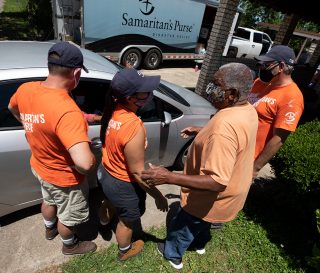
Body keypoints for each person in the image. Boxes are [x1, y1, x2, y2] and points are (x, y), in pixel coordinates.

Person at [141, 63, 258, 270]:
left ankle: (172, 254)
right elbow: (231, 138)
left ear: (231, 94)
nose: (209, 90)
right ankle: (199, 244)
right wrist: (202, 131)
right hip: (231, 194)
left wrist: (169, 177)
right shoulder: (247, 109)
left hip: (211, 196)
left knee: (184, 224)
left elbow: (216, 181)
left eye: (216, 86)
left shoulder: (224, 128)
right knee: (203, 222)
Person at [8, 41, 97, 255]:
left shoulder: (25, 89)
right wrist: (93, 155)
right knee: (67, 215)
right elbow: (84, 163)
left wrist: (32, 126)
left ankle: (49, 229)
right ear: (76, 73)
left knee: (49, 200)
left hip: (40, 168)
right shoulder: (68, 111)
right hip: (64, 179)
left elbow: (12, 107)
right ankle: (70, 245)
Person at [97, 68, 168, 262]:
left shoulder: (114, 108)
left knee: (111, 201)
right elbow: (137, 173)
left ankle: (104, 217)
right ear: (130, 97)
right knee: (127, 221)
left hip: (106, 172)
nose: (150, 94)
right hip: (122, 183)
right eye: (145, 92)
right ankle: (124, 250)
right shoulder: (133, 127)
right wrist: (158, 196)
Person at [248, 45, 304, 178]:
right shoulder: (259, 82)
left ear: (282, 66)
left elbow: (279, 138)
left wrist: (255, 168)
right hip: (231, 149)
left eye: (267, 64)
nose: (262, 68)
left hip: (247, 160)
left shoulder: (292, 97)